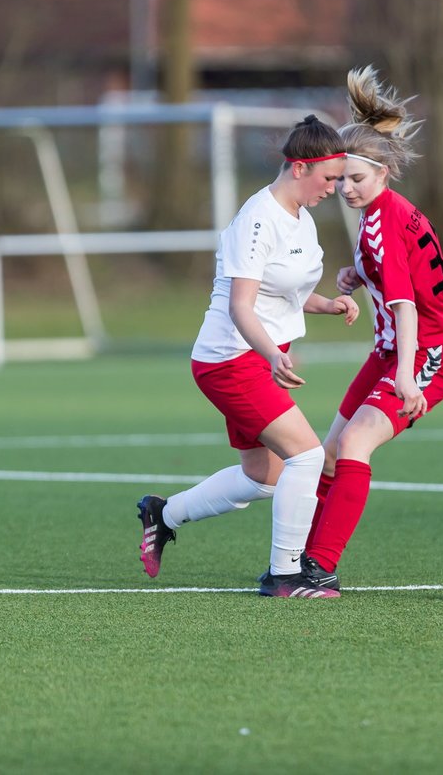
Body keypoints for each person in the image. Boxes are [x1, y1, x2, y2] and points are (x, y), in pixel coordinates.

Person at [137, 115, 357, 598]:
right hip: (230, 358)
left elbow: (287, 293)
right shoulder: (258, 218)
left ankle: (162, 513)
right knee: (308, 455)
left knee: (265, 476)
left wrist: (329, 303)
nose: (335, 188)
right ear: (300, 168)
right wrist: (271, 356)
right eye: (330, 178)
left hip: (259, 358)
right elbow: (241, 305)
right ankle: (285, 575)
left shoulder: (303, 217)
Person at [299, 66, 443, 591]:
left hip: (423, 354)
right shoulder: (381, 214)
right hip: (389, 353)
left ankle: (320, 566)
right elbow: (396, 274)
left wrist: (410, 376)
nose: (345, 188)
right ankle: (301, 557)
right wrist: (357, 275)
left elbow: (408, 305)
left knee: (355, 445)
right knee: (327, 455)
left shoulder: (383, 222)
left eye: (356, 179)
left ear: (384, 172)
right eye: (340, 178)